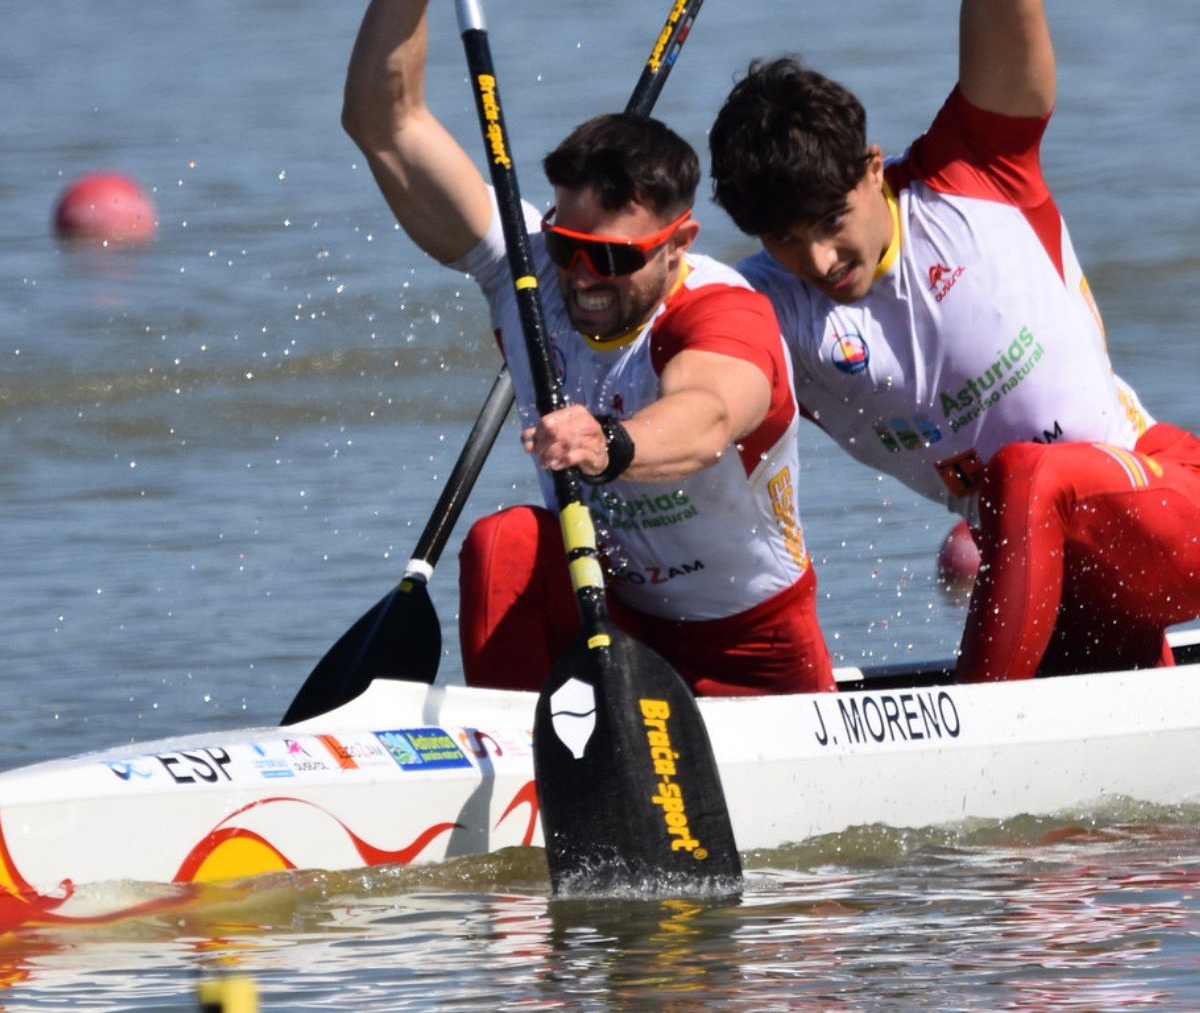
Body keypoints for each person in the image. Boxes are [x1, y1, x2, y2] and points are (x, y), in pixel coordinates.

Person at [706, 0, 1200, 683]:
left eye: (831, 219)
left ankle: (976, 723)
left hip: (1181, 510)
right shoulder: (761, 307)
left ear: (873, 166)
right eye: (784, 239)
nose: (818, 260)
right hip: (1067, 591)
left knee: (1024, 475)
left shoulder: (976, 169)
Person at [342, 0, 834, 696]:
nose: (578, 277)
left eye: (610, 257)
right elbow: (384, 124)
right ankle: (523, 772)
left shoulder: (724, 313)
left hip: (749, 653)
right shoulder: (524, 262)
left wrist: (609, 444)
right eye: (569, 246)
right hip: (612, 618)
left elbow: (709, 416)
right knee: (505, 540)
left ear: (677, 246)